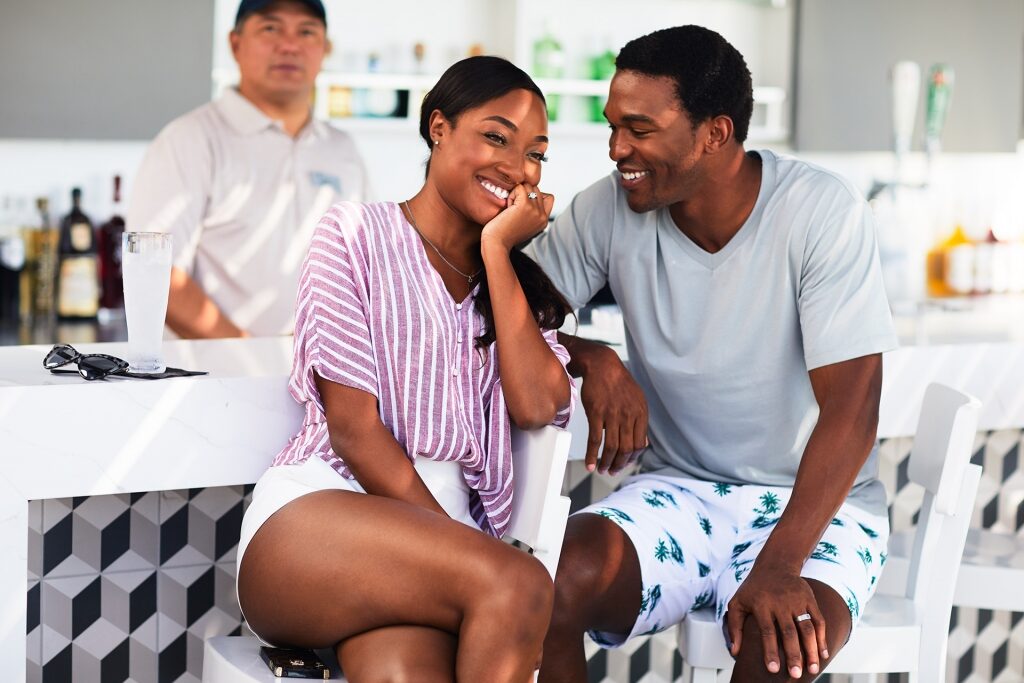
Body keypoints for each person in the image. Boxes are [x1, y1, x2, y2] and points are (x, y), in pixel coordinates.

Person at [525, 25, 899, 682]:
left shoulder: (818, 212)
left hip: (814, 509)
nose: (617, 149)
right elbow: (504, 314)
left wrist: (780, 565)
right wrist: (587, 352)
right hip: (680, 492)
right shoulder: (610, 210)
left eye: (639, 129)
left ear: (715, 133)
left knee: (777, 653)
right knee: (539, 589)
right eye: (614, 125)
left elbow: (854, 408)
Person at [235, 55, 575, 682]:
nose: (516, 166)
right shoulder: (354, 234)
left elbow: (534, 405)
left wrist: (498, 252)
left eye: (535, 154)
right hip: (321, 521)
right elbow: (356, 432)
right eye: (496, 136)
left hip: (436, 567)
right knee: (521, 584)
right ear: (439, 127)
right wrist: (465, 555)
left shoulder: (513, 294)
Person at [127, 0, 369, 338]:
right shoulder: (191, 140)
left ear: (325, 49)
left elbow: (359, 271)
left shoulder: (342, 150)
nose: (289, 45)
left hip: (319, 378)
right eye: (270, 28)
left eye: (307, 32)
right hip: (215, 379)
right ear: (235, 44)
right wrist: (250, 355)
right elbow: (154, 273)